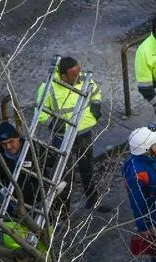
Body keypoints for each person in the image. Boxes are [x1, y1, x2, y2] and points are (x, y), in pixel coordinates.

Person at [36, 56, 105, 211]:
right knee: (63, 174)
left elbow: (96, 93)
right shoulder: (48, 88)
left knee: (87, 168)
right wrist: (54, 124)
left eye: (78, 72)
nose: (78, 77)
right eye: (74, 75)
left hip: (83, 133)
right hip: (63, 137)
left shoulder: (84, 79)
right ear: (63, 76)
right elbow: (40, 114)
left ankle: (93, 201)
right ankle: (63, 210)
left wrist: (96, 106)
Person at [0, 121, 51, 252]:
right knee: (11, 239)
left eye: (11, 141)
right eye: (4, 144)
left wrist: (61, 183)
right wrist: (1, 190)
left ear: (18, 138)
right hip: (14, 204)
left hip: (40, 202)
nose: (8, 146)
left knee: (46, 241)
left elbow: (60, 162)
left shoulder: (33, 147)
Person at [122, 126, 156, 259]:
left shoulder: (151, 157)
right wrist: (145, 227)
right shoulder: (136, 172)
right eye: (153, 144)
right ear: (146, 148)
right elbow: (137, 203)